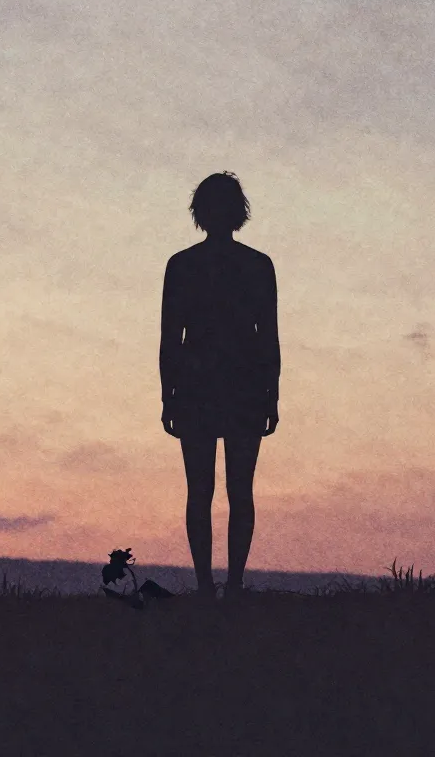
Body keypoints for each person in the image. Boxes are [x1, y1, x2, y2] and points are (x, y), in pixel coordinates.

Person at [160, 171, 280, 604]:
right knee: (234, 491)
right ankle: (228, 585)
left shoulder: (183, 265)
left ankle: (211, 586)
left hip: (201, 385)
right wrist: (271, 393)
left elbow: (171, 337)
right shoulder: (256, 265)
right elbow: (267, 336)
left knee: (205, 491)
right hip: (239, 385)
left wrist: (168, 394)